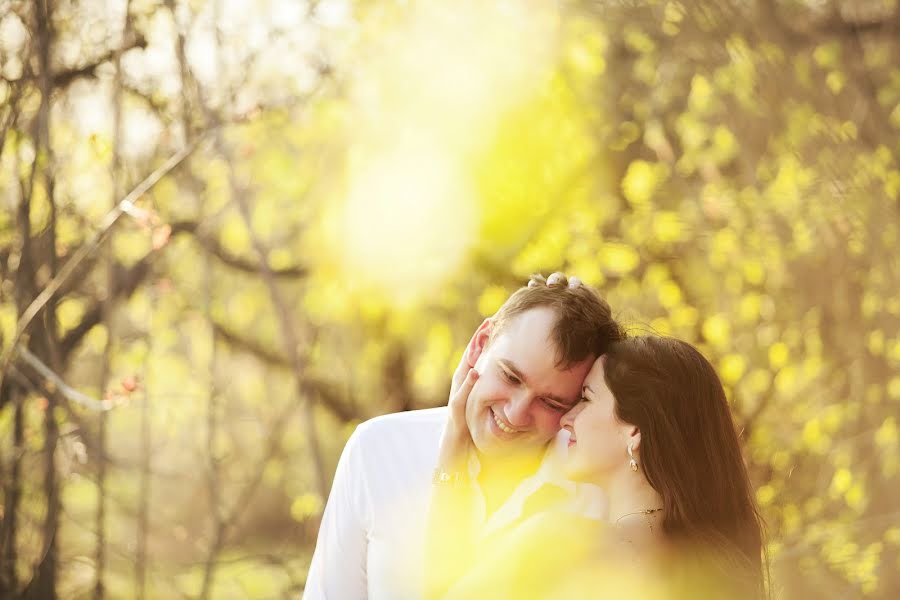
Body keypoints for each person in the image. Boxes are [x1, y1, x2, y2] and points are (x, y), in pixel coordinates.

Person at [303, 273, 625, 599]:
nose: (515, 414)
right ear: (480, 344)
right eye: (511, 377)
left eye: (550, 402)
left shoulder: (596, 495)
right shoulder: (377, 450)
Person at [433, 335, 768, 600]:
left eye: (587, 399)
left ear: (634, 431)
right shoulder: (712, 570)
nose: (566, 418)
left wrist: (451, 453)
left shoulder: (559, 545)